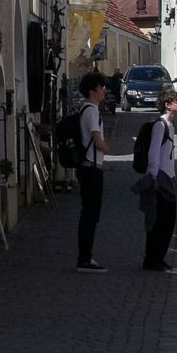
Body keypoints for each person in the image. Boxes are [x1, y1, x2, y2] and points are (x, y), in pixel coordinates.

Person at [136, 89, 177, 271]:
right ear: (167, 104)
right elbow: (154, 153)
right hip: (159, 178)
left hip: (168, 177)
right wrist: (153, 177)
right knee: (159, 221)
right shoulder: (160, 126)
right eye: (176, 101)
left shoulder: (170, 125)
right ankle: (152, 258)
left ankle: (158, 256)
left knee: (168, 221)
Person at [76, 72, 111, 273]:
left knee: (88, 213)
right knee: (91, 215)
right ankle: (85, 258)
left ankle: (85, 256)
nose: (104, 90)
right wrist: (107, 148)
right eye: (101, 87)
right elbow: (97, 140)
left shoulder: (86, 109)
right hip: (91, 168)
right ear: (92, 91)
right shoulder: (92, 112)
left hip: (87, 167)